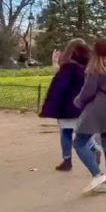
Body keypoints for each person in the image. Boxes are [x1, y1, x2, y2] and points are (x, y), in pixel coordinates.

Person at [73, 37, 106, 194]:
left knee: (79, 142)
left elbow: (88, 91)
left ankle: (98, 175)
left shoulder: (95, 68)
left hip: (99, 110)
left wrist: (77, 101)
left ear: (96, 51)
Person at [39, 39, 92, 171]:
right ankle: (93, 150)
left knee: (66, 132)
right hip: (85, 106)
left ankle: (67, 160)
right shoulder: (89, 68)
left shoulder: (68, 68)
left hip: (68, 107)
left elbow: (59, 86)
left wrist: (49, 107)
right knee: (85, 132)